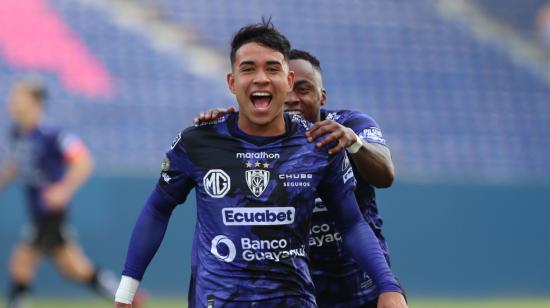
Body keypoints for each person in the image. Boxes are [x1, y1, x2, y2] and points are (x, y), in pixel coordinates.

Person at [115, 20, 407, 307]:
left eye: (272, 68)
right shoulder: (199, 141)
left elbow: (353, 221)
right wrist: (126, 292)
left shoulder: (323, 143)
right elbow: (157, 208)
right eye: (248, 69)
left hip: (319, 294)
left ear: (288, 80)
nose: (261, 78)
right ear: (231, 82)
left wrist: (388, 286)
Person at [195, 48, 397, 307]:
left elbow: (385, 175)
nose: (292, 99)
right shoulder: (255, 142)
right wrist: (221, 130)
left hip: (362, 287)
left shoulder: (349, 124)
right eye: (286, 89)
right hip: (295, 292)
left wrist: (355, 143)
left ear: (321, 96)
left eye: (303, 89)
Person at [0, 80, 140, 308]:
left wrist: (63, 189)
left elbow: (83, 161)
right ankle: (125, 296)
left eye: (17, 96)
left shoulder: (53, 134)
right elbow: (13, 165)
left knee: (21, 260)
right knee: (73, 267)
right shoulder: (16, 133)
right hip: (36, 211)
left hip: (50, 211)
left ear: (35, 101)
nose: (11, 101)